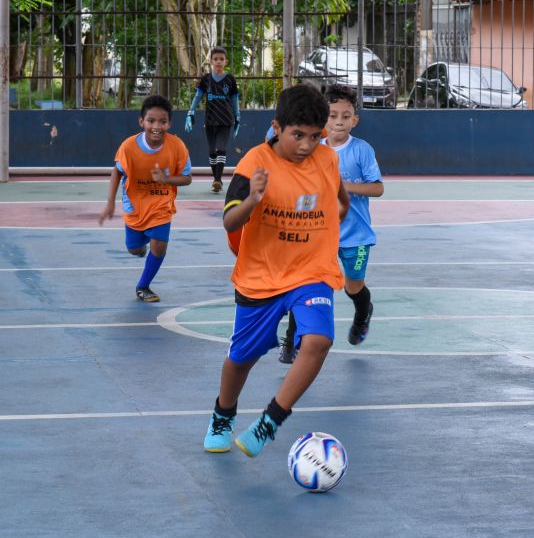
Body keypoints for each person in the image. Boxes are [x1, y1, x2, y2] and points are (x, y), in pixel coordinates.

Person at [203, 84, 350, 457]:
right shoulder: (255, 163)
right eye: (297, 135)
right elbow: (228, 220)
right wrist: (253, 199)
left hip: (311, 271)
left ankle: (271, 419)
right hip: (262, 275)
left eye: (315, 137)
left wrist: (333, 220)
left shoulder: (327, 159)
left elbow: (341, 200)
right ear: (277, 127)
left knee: (317, 341)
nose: (306, 145)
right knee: (241, 359)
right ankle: (223, 414)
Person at [279, 84, 384, 364]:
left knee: (353, 287)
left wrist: (341, 186)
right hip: (320, 233)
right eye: (333, 115)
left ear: (355, 119)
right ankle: (292, 341)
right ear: (323, 118)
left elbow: (377, 188)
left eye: (346, 116)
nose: (339, 121)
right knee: (305, 284)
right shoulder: (313, 149)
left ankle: (363, 313)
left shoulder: (362, 150)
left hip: (355, 235)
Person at [98, 95, 192, 303]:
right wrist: (111, 202)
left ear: (169, 123)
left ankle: (143, 286)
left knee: (159, 245)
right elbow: (117, 172)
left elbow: (187, 178)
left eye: (162, 121)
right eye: (151, 121)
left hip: (161, 204)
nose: (156, 126)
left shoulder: (177, 147)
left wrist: (167, 179)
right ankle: (142, 248)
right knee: (135, 249)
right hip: (135, 204)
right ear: (142, 122)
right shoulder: (129, 147)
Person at [185, 46, 240, 193]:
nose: (218, 62)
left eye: (221, 59)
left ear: (226, 61)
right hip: (210, 120)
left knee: (220, 148)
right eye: (216, 59)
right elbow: (198, 96)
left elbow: (235, 99)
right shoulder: (206, 79)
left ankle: (218, 179)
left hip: (226, 120)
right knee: (212, 151)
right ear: (211, 61)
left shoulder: (230, 80)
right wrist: (190, 112)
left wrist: (238, 117)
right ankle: (216, 178)